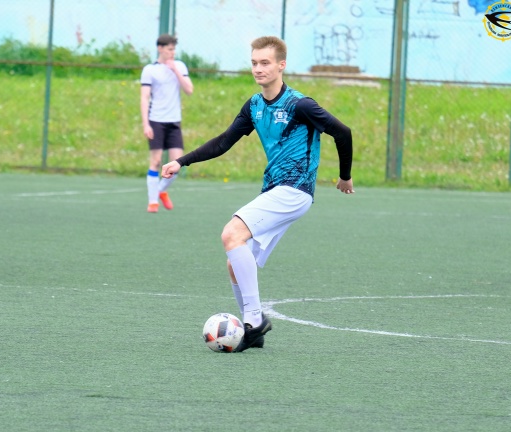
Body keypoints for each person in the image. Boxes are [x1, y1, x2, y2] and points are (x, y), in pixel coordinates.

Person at [162, 36, 354, 352]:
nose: (258, 68)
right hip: (276, 190)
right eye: (254, 62)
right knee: (236, 262)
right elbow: (223, 142)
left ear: (281, 65)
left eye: (265, 62)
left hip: (295, 190)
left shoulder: (300, 105)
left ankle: (253, 320)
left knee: (231, 234)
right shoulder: (254, 106)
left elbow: (342, 132)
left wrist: (344, 176)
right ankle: (255, 332)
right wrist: (181, 161)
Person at [140, 34, 194, 213]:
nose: (172, 52)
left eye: (174, 49)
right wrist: (146, 124)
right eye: (169, 49)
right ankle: (152, 202)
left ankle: (160, 191)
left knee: (176, 164)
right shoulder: (150, 70)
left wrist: (175, 70)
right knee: (155, 161)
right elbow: (144, 97)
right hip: (156, 120)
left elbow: (189, 90)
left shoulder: (180, 66)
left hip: (174, 122)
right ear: (160, 48)